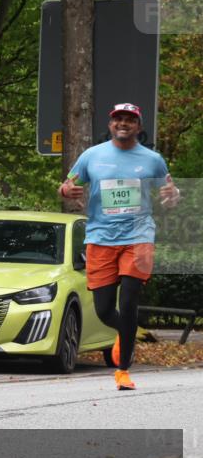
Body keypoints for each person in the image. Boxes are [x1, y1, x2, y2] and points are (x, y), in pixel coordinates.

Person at [59, 102, 180, 390]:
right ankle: (124, 332)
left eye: (130, 119)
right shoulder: (92, 156)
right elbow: (66, 185)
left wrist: (173, 195)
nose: (123, 123)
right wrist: (66, 190)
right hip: (100, 237)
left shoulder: (152, 159)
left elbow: (170, 193)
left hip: (139, 237)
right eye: (118, 119)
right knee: (103, 310)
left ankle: (123, 370)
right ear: (111, 124)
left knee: (128, 302)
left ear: (138, 126)